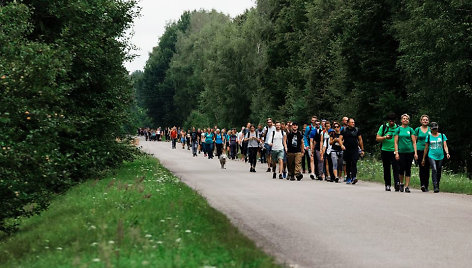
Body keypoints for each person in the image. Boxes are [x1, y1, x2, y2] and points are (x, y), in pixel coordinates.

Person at [422, 122, 450, 193]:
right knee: (434, 169)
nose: (435, 130)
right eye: (433, 129)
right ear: (431, 129)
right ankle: (435, 186)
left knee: (438, 170)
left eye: (436, 128)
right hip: (431, 155)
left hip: (440, 156)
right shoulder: (428, 136)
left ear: (437, 128)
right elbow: (426, 148)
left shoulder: (442, 136)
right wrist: (423, 158)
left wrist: (447, 153)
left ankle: (437, 184)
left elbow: (445, 146)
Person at [394, 114, 418, 193]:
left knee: (408, 169)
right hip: (401, 152)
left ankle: (407, 186)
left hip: (409, 152)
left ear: (408, 120)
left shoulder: (411, 129)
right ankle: (401, 183)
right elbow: (396, 142)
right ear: (401, 120)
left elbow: (414, 142)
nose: (405, 120)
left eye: (407, 119)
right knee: (401, 168)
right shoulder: (398, 129)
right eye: (404, 119)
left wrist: (415, 153)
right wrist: (396, 153)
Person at [376, 113, 399, 191]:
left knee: (396, 168)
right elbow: (377, 138)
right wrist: (385, 137)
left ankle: (397, 183)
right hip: (385, 150)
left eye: (393, 121)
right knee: (386, 168)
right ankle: (387, 184)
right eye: (390, 121)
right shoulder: (384, 127)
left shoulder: (398, 128)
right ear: (388, 121)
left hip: (395, 151)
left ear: (395, 121)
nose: (391, 122)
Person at [340, 118, 364, 184]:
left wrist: (362, 150)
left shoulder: (356, 130)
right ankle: (348, 177)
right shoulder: (344, 130)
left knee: (354, 162)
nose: (353, 123)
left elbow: (360, 140)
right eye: (352, 122)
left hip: (355, 149)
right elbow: (340, 139)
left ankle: (354, 177)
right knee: (348, 164)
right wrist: (341, 145)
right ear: (348, 123)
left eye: (354, 122)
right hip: (347, 150)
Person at [415, 115, 431, 192]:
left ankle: (426, 185)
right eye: (423, 120)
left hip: (429, 150)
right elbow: (414, 141)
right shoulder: (417, 129)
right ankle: (422, 184)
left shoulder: (430, 130)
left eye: (426, 120)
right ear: (421, 121)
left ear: (428, 121)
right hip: (419, 150)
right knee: (422, 167)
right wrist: (414, 153)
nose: (425, 121)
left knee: (427, 168)